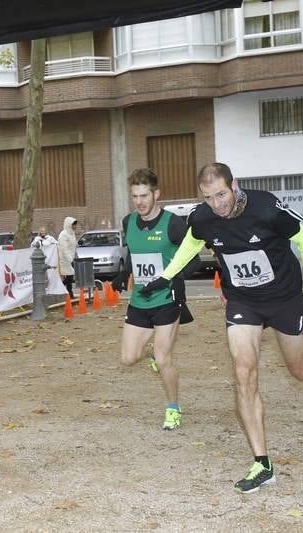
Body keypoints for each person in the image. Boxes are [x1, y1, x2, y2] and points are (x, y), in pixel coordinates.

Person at [140, 162, 303, 494]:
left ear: (234, 185)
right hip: (243, 302)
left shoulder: (266, 207)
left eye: (222, 194)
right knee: (243, 372)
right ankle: (262, 462)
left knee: (301, 372)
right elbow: (193, 243)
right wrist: (167, 275)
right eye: (210, 197)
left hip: (284, 298)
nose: (218, 204)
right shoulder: (202, 216)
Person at [111, 168, 200, 430]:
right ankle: (154, 352)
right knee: (128, 358)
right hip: (139, 300)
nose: (139, 201)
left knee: (164, 360)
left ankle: (173, 408)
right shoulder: (128, 222)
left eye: (144, 195)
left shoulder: (173, 224)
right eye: (135, 196)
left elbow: (193, 260)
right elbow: (133, 254)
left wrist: (168, 278)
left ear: (156, 194)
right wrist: (122, 275)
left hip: (167, 299)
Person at [57, 217, 78, 298]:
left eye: (75, 225)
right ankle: (66, 291)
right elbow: (64, 248)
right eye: (73, 225)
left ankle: (67, 291)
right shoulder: (63, 235)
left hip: (70, 258)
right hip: (65, 259)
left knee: (70, 276)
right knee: (69, 275)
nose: (75, 226)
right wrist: (69, 258)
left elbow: (72, 246)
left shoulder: (72, 234)